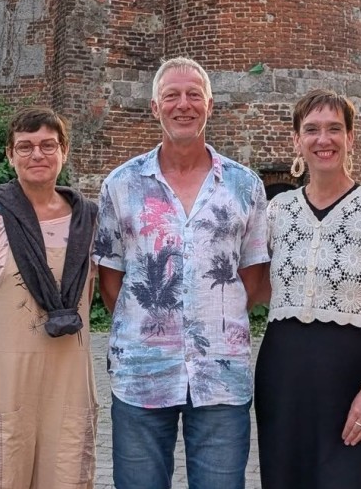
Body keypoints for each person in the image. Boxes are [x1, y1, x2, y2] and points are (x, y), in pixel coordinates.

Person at [93, 57, 270, 489]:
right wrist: (152, 323)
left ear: (210, 105)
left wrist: (214, 316)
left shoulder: (245, 185)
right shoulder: (121, 184)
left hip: (220, 375)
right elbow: (111, 279)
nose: (183, 104)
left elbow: (253, 276)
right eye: (171, 95)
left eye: (194, 95)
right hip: (141, 374)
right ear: (155, 107)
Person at [254, 89, 361, 488]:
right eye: (311, 129)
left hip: (357, 382)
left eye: (334, 128)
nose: (323, 139)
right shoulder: (277, 212)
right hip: (286, 383)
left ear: (350, 138)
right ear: (297, 140)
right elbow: (256, 289)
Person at [0, 106, 99, 489]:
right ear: (10, 155)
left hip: (68, 381)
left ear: (64, 151)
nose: (37, 155)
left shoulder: (89, 222)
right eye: (25, 147)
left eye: (48, 145)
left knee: (67, 479)